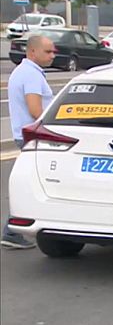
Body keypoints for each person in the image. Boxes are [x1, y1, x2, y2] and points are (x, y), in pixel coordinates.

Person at [2, 35, 56, 249]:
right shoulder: (32, 76)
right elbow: (35, 110)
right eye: (48, 52)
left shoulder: (24, 72)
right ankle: (12, 231)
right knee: (40, 183)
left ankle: (12, 231)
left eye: (53, 51)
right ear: (32, 52)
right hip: (32, 136)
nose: (53, 55)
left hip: (23, 134)